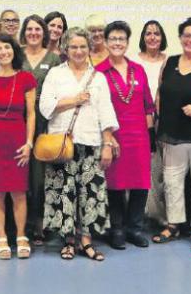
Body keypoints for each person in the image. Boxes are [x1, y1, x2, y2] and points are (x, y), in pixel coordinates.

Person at [40, 27, 118, 261]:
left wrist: (107, 144)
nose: (78, 51)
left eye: (82, 46)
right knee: (64, 193)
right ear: (65, 48)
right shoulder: (55, 74)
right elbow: (45, 107)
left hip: (91, 142)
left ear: (89, 48)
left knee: (90, 194)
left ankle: (86, 241)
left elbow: (106, 113)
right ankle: (68, 242)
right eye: (73, 46)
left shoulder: (99, 77)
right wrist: (74, 100)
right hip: (62, 145)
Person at [0, 33, 37, 259]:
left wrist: (29, 143)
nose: (4, 52)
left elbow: (30, 115)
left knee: (19, 192)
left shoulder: (26, 79)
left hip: (18, 141)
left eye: (7, 48)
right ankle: (1, 236)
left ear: (14, 51)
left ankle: (21, 236)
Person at [96, 21, 156, 250]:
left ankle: (135, 228)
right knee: (116, 183)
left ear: (127, 42)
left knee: (141, 184)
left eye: (122, 39)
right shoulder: (99, 71)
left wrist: (150, 136)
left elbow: (148, 105)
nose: (118, 43)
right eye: (113, 39)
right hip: (114, 136)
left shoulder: (138, 69)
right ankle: (117, 228)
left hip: (139, 135)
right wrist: (107, 139)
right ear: (106, 41)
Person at [153, 17, 191, 252]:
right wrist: (158, 116)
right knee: (172, 181)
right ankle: (173, 224)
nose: (190, 40)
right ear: (180, 38)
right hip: (171, 134)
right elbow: (160, 93)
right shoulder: (171, 61)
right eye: (186, 35)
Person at [20, 14, 61, 245]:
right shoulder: (16, 55)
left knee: (39, 176)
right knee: (19, 172)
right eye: (30, 29)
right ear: (24, 32)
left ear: (43, 33)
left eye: (38, 29)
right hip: (17, 120)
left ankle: (38, 222)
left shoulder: (54, 59)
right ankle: (18, 222)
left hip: (44, 122)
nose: (34, 33)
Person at [131, 20, 168, 226]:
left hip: (163, 123)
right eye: (148, 33)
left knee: (158, 171)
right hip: (138, 123)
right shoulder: (133, 62)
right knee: (137, 169)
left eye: (156, 33)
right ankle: (137, 215)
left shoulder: (169, 61)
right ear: (142, 37)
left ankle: (157, 214)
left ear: (162, 38)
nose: (152, 37)